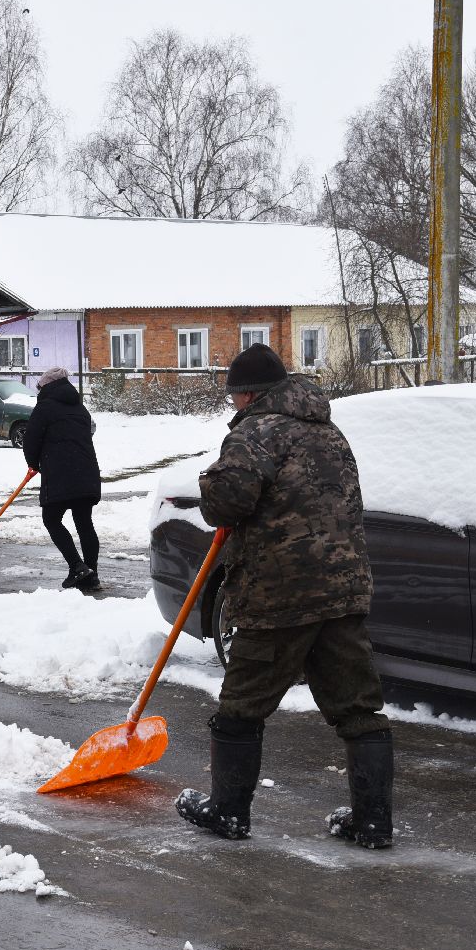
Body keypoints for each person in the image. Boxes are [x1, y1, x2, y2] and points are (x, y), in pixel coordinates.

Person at [175, 343, 394, 849]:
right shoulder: (329, 431)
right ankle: (373, 821)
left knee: (242, 705)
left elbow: (227, 504)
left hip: (280, 593)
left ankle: (227, 813)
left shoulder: (255, 433)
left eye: (234, 396)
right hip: (342, 589)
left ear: (246, 394)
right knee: (358, 707)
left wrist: (211, 480)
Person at [22, 367, 102, 591]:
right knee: (84, 522)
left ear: (47, 386)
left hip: (60, 474)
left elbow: (31, 441)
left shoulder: (44, 407)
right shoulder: (80, 408)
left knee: (51, 519)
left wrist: (33, 463)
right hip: (86, 473)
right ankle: (91, 574)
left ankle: (77, 566)